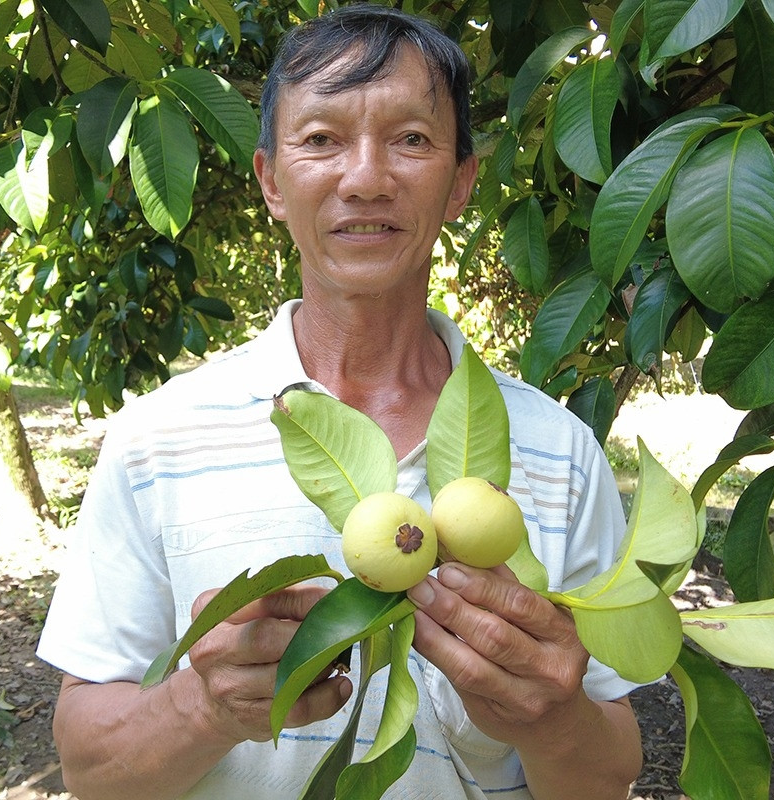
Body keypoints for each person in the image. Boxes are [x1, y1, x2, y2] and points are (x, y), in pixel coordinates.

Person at [36, 5, 644, 799]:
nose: (365, 177)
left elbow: (605, 777)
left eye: (412, 139)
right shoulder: (157, 441)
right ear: (270, 182)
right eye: (321, 139)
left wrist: (551, 719)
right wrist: (202, 704)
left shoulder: (561, 454)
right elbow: (89, 769)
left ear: (461, 183)